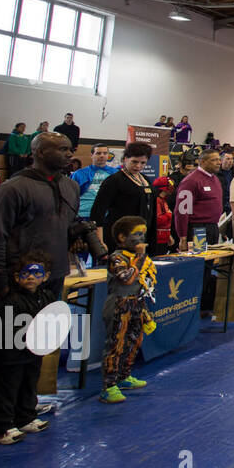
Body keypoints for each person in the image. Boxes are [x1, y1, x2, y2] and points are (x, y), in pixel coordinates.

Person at [0, 132, 86, 299]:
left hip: (55, 275)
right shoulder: (12, 189)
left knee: (48, 325)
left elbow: (69, 223)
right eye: (63, 149)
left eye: (70, 149)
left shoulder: (72, 187)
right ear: (40, 152)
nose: (70, 154)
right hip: (21, 278)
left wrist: (76, 237)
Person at [0, 251, 58, 444]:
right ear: (16, 277)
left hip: (33, 353)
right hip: (10, 355)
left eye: (36, 273)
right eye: (25, 273)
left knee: (29, 385)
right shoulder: (10, 300)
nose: (31, 277)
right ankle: (0, 429)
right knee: (7, 390)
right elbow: (3, 328)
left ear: (45, 276)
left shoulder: (47, 296)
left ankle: (25, 418)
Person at [100, 216, 155, 405]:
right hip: (118, 305)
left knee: (133, 342)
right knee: (116, 344)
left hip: (136, 304)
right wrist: (139, 258)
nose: (141, 238)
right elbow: (127, 279)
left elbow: (142, 285)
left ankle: (124, 376)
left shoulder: (139, 258)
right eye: (137, 234)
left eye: (143, 234)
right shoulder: (117, 258)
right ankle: (109, 386)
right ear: (122, 237)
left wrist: (145, 313)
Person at [90, 142, 156, 254]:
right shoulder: (114, 180)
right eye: (134, 162)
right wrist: (99, 241)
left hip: (141, 235)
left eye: (143, 163)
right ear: (126, 159)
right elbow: (97, 212)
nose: (138, 166)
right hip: (120, 237)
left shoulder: (146, 179)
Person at [172, 149, 225, 251]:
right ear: (203, 162)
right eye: (214, 160)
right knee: (199, 263)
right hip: (198, 230)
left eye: (219, 159)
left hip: (213, 227)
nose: (219, 162)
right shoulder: (190, 181)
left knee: (210, 263)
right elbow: (182, 211)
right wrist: (182, 237)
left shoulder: (215, 179)